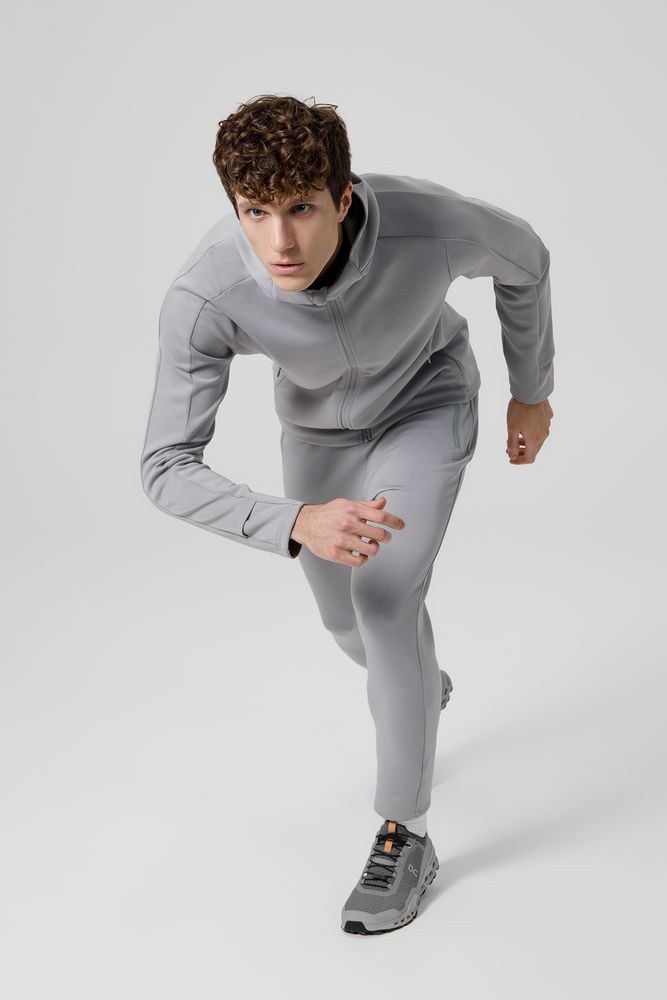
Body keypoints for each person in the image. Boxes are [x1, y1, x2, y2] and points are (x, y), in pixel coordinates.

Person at [139, 93, 555, 935]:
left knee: (383, 598)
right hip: (315, 437)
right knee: (345, 626)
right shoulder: (207, 290)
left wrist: (531, 390)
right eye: (254, 212)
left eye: (300, 208)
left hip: (426, 404)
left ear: (343, 197)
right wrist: (294, 521)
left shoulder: (429, 224)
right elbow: (164, 468)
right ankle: (419, 688)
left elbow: (527, 259)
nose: (279, 243)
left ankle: (406, 831)